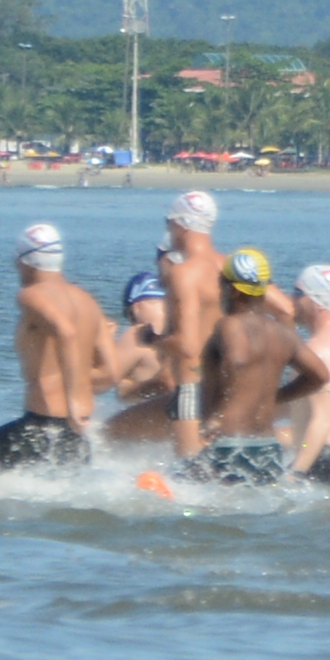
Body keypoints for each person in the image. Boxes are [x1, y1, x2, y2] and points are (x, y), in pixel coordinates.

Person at [0, 224, 109, 474]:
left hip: (41, 428)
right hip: (77, 436)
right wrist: (79, 387)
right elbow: (110, 373)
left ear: (27, 262)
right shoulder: (89, 302)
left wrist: (70, 399)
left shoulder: (31, 295)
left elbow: (65, 333)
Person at [187, 249, 309, 484]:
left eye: (221, 283)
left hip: (229, 445)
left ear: (233, 291)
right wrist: (279, 396)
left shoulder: (229, 325)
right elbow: (319, 375)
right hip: (268, 448)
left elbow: (236, 359)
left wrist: (217, 416)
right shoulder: (282, 333)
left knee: (180, 485)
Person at [142, 190, 229, 460]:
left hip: (195, 387)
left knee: (192, 481)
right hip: (233, 386)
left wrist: (153, 340)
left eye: (169, 222)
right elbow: (286, 309)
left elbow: (188, 345)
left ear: (180, 225)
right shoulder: (232, 267)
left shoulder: (185, 273)